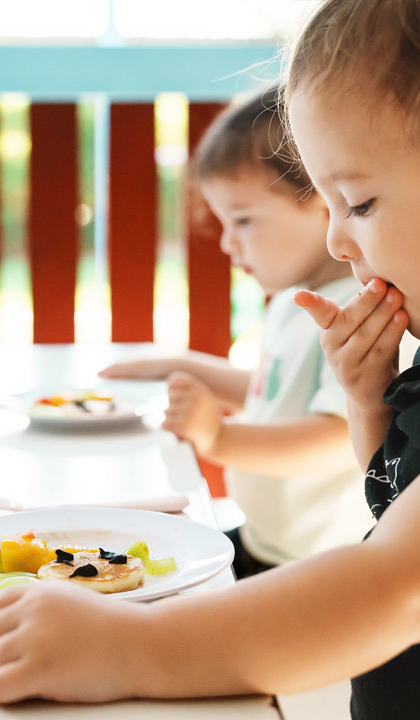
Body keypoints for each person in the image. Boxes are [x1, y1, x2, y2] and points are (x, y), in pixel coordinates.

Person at [0, 2, 420, 716]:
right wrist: (370, 403)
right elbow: (406, 503)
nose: (336, 244)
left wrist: (129, 646)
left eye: (358, 202)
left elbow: (400, 584)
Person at [99, 87, 372, 578]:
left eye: (242, 220)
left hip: (315, 569)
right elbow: (272, 391)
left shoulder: (354, 310)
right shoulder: (295, 301)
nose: (227, 242)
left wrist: (219, 437)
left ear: (325, 201)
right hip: (264, 541)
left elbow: (337, 436)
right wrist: (180, 366)